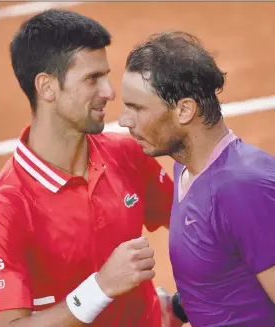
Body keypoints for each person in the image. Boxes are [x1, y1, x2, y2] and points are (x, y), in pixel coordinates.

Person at [0, 9, 182, 327]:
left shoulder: (128, 154)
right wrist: (100, 288)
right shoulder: (5, 207)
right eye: (93, 78)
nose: (109, 91)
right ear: (47, 87)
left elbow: (194, 223)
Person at [119, 31, 275, 327]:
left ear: (184, 110)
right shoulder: (186, 168)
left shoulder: (242, 190)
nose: (125, 120)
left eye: (137, 108)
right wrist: (181, 306)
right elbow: (225, 266)